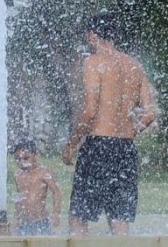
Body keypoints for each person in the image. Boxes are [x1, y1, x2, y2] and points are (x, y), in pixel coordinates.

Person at [62, 13, 157, 235]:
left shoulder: (93, 63)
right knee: (119, 218)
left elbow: (89, 111)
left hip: (98, 145)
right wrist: (132, 129)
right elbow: (150, 113)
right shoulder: (134, 65)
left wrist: (71, 145)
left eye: (88, 36)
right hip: (125, 147)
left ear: (94, 35)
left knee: (78, 216)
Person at [12, 140, 61, 235]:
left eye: (26, 158)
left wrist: (56, 214)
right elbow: (19, 197)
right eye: (18, 159)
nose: (22, 162)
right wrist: (16, 219)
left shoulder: (43, 173)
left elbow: (56, 192)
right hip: (24, 221)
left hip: (40, 221)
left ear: (36, 156)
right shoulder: (18, 175)